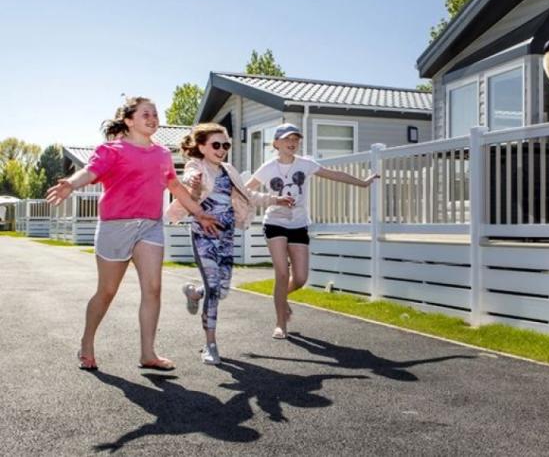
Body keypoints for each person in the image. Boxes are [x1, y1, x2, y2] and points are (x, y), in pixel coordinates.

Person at [46, 96, 218, 371]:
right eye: (145, 114)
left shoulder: (162, 153)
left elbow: (174, 186)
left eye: (155, 114)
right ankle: (87, 342)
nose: (152, 119)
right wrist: (70, 183)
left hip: (149, 225)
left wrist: (198, 212)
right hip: (116, 227)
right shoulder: (110, 150)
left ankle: (148, 353)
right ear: (128, 120)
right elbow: (90, 173)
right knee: (107, 291)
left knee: (153, 288)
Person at [167, 123, 293, 365]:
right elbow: (191, 183)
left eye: (226, 145)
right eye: (216, 144)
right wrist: (193, 184)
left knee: (222, 291)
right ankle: (210, 345)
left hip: (226, 237)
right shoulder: (197, 166)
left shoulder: (228, 170)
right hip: (204, 236)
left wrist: (277, 199)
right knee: (214, 288)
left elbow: (249, 194)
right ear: (202, 147)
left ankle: (194, 292)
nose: (222, 149)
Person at [246, 123, 376, 339]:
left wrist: (362, 183)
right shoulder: (268, 168)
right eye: (288, 139)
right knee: (281, 273)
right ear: (276, 143)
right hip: (275, 222)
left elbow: (334, 174)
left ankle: (281, 298)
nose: (292, 142)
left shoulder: (305, 164)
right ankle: (280, 323)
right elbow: (246, 189)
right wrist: (264, 200)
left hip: (298, 224)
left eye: (296, 139)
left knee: (300, 278)